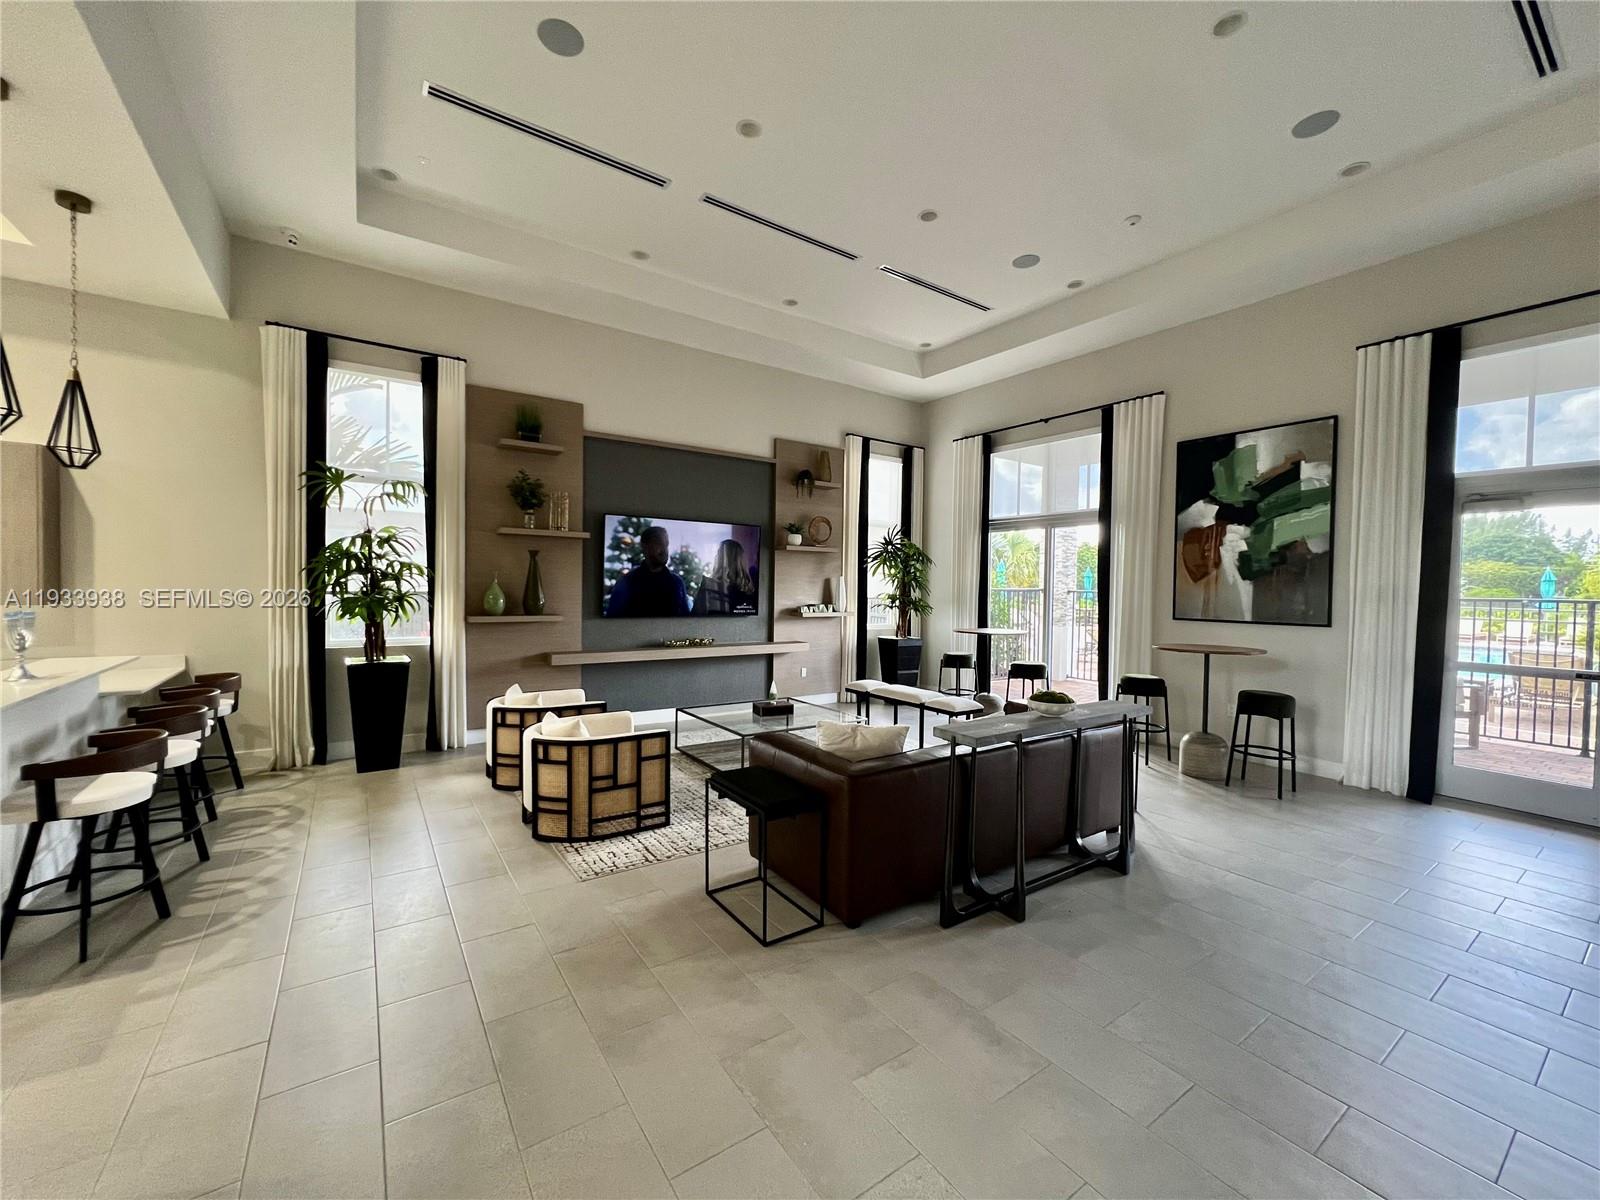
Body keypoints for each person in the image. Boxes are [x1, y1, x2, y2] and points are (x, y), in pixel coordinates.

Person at [606, 525, 690, 616]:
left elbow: (685, 620)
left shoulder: (677, 583)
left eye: (666, 544)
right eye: (659, 543)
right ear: (644, 546)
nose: (664, 550)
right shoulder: (627, 582)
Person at [692, 538, 757, 615]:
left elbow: (695, 618)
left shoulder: (709, 586)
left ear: (720, 559)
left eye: (718, 553)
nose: (715, 556)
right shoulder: (750, 590)